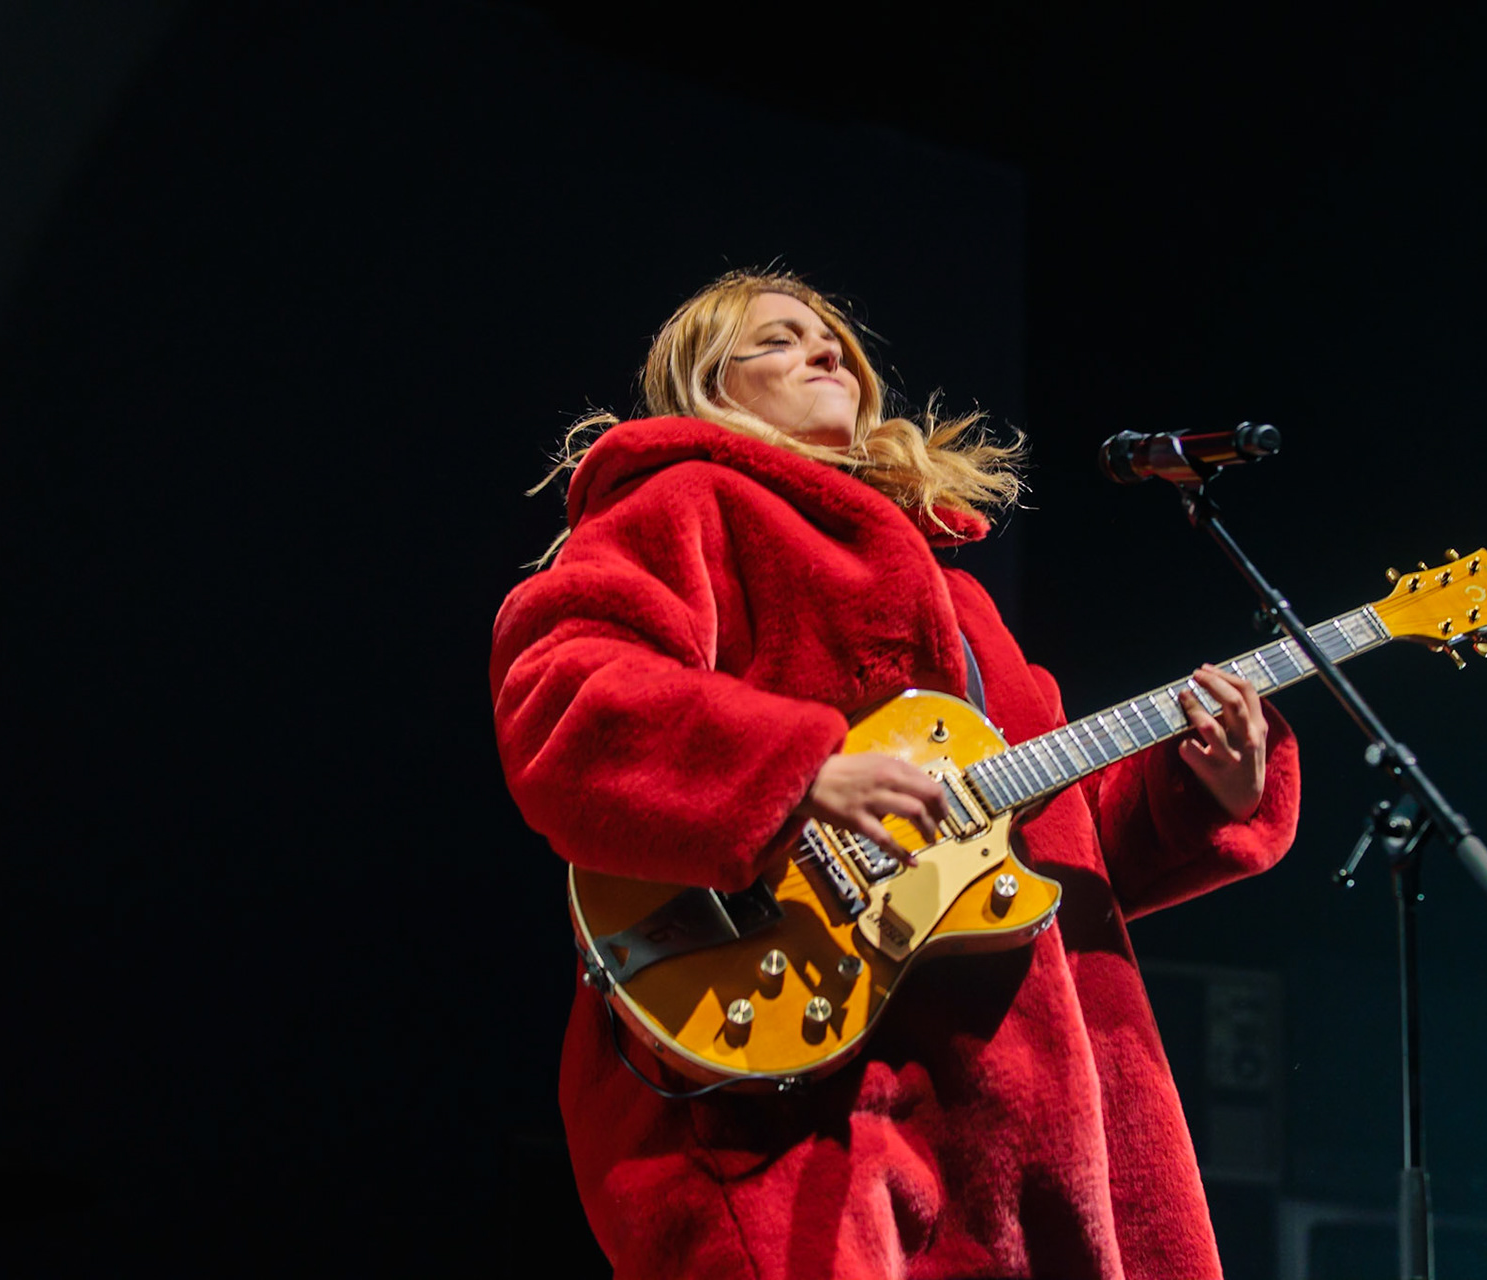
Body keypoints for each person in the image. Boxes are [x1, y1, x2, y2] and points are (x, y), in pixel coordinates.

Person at [489, 270, 1301, 1280]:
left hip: (1029, 1122)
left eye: (835, 339)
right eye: (779, 340)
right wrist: (797, 770)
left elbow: (1050, 847)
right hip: (809, 1096)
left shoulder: (966, 612)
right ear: (706, 389)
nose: (829, 351)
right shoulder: (680, 502)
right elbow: (565, 692)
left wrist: (1199, 793)